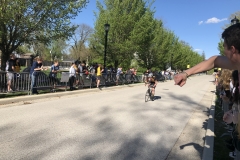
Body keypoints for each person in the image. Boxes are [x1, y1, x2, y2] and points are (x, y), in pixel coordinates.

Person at [174, 23, 240, 158]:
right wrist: (186, 73)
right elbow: (214, 61)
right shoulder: (236, 63)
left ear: (233, 49)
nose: (224, 53)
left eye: (225, 48)